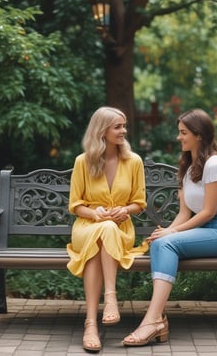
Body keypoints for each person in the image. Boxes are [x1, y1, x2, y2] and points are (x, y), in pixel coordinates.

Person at [122, 108, 217, 347]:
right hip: (204, 229)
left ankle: (152, 319)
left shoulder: (214, 163)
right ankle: (156, 320)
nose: (179, 137)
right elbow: (185, 212)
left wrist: (172, 232)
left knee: (167, 240)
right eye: (179, 132)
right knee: (160, 241)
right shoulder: (188, 167)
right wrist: (165, 231)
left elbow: (207, 213)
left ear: (199, 134)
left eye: (183, 132)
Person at [66, 106, 148, 352]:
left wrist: (126, 210)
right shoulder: (83, 161)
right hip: (86, 226)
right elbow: (75, 205)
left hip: (120, 229)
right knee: (102, 231)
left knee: (107, 232)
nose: (124, 131)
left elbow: (139, 202)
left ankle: (91, 323)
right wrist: (95, 213)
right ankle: (110, 298)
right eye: (118, 127)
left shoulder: (134, 161)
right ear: (102, 131)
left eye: (124, 126)